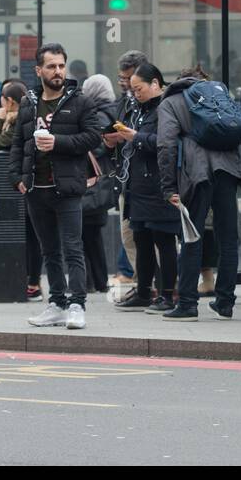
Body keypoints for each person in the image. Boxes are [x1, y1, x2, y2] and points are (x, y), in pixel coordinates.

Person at [11, 43, 103, 330]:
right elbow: (18, 144)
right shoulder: (29, 103)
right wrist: (17, 179)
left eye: (61, 65)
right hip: (36, 188)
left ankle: (77, 305)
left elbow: (93, 137)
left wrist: (59, 142)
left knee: (73, 248)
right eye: (51, 66)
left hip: (67, 188)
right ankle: (57, 303)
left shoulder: (80, 101)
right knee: (48, 250)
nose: (58, 71)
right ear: (39, 70)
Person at [158, 64, 241, 321]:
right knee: (228, 237)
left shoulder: (172, 102)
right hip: (228, 171)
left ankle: (187, 303)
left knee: (191, 235)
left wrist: (168, 186)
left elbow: (165, 145)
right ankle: (225, 301)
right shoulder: (219, 95)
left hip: (196, 173)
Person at [113, 63, 181, 313]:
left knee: (163, 241)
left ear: (155, 84)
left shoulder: (167, 108)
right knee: (141, 240)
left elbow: (167, 143)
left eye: (139, 89)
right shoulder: (138, 109)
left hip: (160, 186)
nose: (135, 94)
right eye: (132, 90)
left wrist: (135, 137)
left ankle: (167, 295)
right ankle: (143, 291)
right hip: (138, 185)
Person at [0, 80, 43, 301]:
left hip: (20, 186)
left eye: (2, 101)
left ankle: (30, 285)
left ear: (9, 101)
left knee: (29, 237)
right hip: (17, 186)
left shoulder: (15, 123)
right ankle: (11, 280)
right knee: (27, 236)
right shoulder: (21, 120)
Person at [105, 50, 147, 295]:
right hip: (126, 178)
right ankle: (143, 285)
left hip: (149, 181)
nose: (125, 84)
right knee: (128, 237)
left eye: (128, 78)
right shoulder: (123, 102)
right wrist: (111, 141)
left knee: (152, 239)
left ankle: (161, 286)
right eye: (121, 78)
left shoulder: (157, 103)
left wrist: (133, 137)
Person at [78, 73, 118, 294]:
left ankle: (88, 282)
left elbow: (96, 145)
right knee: (93, 237)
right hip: (101, 183)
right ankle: (99, 281)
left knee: (84, 235)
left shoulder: (99, 115)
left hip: (92, 182)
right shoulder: (112, 110)